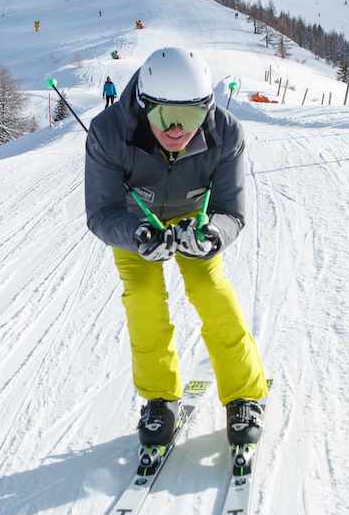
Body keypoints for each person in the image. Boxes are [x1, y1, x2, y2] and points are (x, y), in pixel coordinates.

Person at [85, 47, 267, 451]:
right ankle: (159, 400)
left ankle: (244, 395)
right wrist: (138, 237)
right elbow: (101, 212)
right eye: (165, 115)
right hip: (135, 221)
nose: (176, 129)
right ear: (142, 104)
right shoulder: (109, 132)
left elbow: (231, 211)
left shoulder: (226, 133)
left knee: (210, 290)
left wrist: (211, 236)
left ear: (207, 107)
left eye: (190, 116)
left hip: (194, 219)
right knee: (144, 298)